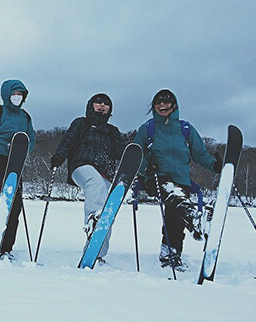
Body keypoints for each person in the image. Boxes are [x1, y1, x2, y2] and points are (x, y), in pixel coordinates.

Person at [133, 89, 222, 271]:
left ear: (174, 105)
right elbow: (135, 153)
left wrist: (215, 166)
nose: (162, 105)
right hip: (156, 177)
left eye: (167, 101)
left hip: (181, 179)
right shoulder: (148, 128)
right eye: (158, 102)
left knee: (175, 219)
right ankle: (194, 219)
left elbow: (200, 154)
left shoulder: (185, 129)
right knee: (175, 198)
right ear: (153, 106)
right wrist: (145, 167)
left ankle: (171, 255)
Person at [50, 93, 125, 263]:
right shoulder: (81, 123)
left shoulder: (112, 132)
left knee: (108, 211)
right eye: (98, 102)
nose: (102, 105)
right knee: (95, 183)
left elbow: (122, 152)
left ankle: (96, 253)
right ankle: (93, 221)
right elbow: (67, 142)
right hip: (82, 166)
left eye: (106, 104)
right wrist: (58, 157)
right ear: (91, 105)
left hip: (106, 172)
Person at [0, 79, 35, 261]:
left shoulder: (25, 117)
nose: (17, 98)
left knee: (15, 204)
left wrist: (22, 149)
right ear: (7, 95)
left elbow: (31, 138)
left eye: (20, 95)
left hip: (15, 161)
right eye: (14, 94)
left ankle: (6, 248)